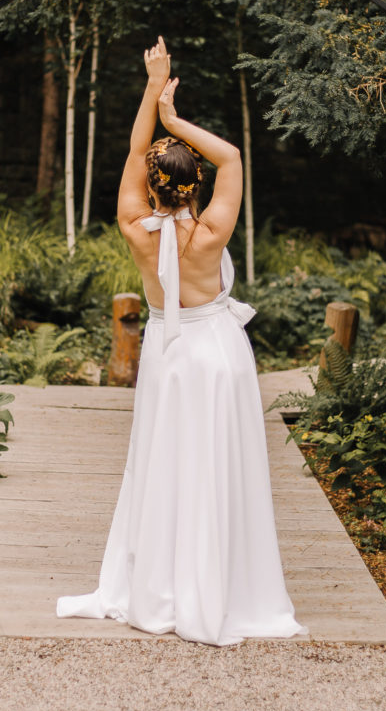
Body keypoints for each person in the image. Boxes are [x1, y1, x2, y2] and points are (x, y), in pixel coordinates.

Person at [55, 37, 308, 646]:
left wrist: (151, 89)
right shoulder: (215, 229)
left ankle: (161, 582)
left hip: (169, 354)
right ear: (194, 187)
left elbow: (137, 149)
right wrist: (177, 118)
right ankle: (223, 585)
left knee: (164, 464)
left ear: (153, 188)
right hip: (218, 354)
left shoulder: (133, 224)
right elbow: (234, 157)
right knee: (220, 465)